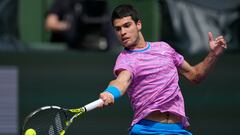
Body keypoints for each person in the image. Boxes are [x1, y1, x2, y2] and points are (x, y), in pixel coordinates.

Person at [99, 4, 227, 135]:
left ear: (138, 25)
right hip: (147, 130)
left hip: (177, 130)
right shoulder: (125, 59)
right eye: (118, 29)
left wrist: (213, 54)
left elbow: (195, 75)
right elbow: (121, 81)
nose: (123, 32)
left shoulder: (164, 48)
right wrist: (110, 92)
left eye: (127, 26)